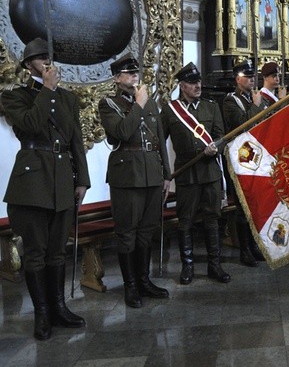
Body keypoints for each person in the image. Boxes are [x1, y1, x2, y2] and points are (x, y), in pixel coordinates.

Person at [2, 38, 90, 340]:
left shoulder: (68, 98)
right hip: (32, 182)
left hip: (62, 179)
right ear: (29, 66)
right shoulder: (16, 96)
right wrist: (48, 90)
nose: (48, 63)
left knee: (57, 253)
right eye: (40, 59)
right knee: (36, 253)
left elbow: (75, 139)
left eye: (49, 57)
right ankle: (41, 313)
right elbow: (31, 124)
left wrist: (82, 180)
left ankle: (59, 308)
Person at [98, 54, 171, 308]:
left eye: (135, 72)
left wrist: (166, 175)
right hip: (127, 176)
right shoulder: (108, 103)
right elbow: (121, 132)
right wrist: (139, 105)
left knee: (146, 232)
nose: (134, 76)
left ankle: (144, 280)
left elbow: (160, 139)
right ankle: (130, 286)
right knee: (127, 233)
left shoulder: (149, 103)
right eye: (128, 73)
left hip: (152, 173)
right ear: (117, 79)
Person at [161, 63, 230, 285]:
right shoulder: (171, 110)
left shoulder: (211, 107)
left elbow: (222, 137)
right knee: (186, 221)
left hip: (210, 173)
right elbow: (160, 143)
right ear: (182, 86)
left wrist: (215, 148)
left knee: (212, 219)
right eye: (192, 83)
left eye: (198, 81)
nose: (198, 85)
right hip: (187, 173)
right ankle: (187, 265)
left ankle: (214, 265)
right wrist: (164, 173)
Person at [222, 59, 264, 267]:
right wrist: (256, 106)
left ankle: (255, 246)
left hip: (257, 158)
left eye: (253, 76)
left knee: (255, 205)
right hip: (241, 159)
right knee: (242, 206)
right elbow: (241, 126)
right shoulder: (231, 101)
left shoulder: (254, 98)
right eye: (248, 76)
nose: (252, 79)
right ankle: (244, 249)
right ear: (238, 79)